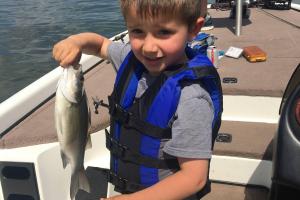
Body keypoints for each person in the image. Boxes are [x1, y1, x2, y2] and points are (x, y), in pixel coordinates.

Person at [52, 0, 223, 200]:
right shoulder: (132, 57)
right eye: (137, 31)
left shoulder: (192, 98)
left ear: (194, 29)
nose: (149, 47)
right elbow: (100, 45)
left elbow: (194, 178)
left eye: (164, 32)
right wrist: (75, 42)